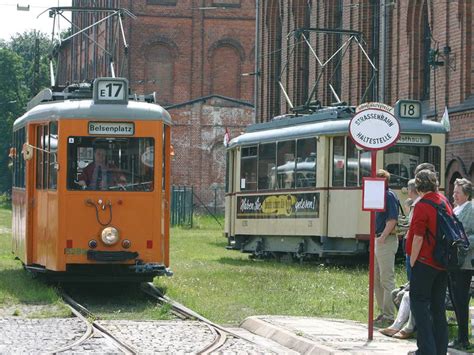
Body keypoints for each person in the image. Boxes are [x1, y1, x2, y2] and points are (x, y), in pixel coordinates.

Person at [407, 169, 450, 355]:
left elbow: (417, 237)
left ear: (418, 186)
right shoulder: (444, 201)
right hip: (442, 262)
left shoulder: (422, 205)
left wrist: (413, 262)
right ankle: (441, 350)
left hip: (425, 261)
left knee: (419, 306)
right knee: (438, 308)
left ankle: (426, 350)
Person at [447, 178, 474, 350]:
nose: (454, 195)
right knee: (456, 300)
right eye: (454, 192)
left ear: (467, 194)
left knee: (461, 300)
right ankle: (460, 337)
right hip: (453, 261)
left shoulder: (471, 209)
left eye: (457, 192)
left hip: (465, 263)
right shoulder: (456, 208)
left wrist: (463, 243)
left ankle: (464, 339)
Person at [373, 169, 399, 326]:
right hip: (379, 239)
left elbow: (392, 219)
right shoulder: (378, 196)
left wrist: (382, 237)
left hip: (386, 240)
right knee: (376, 279)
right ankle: (383, 312)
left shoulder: (388, 196)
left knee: (386, 278)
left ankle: (389, 315)